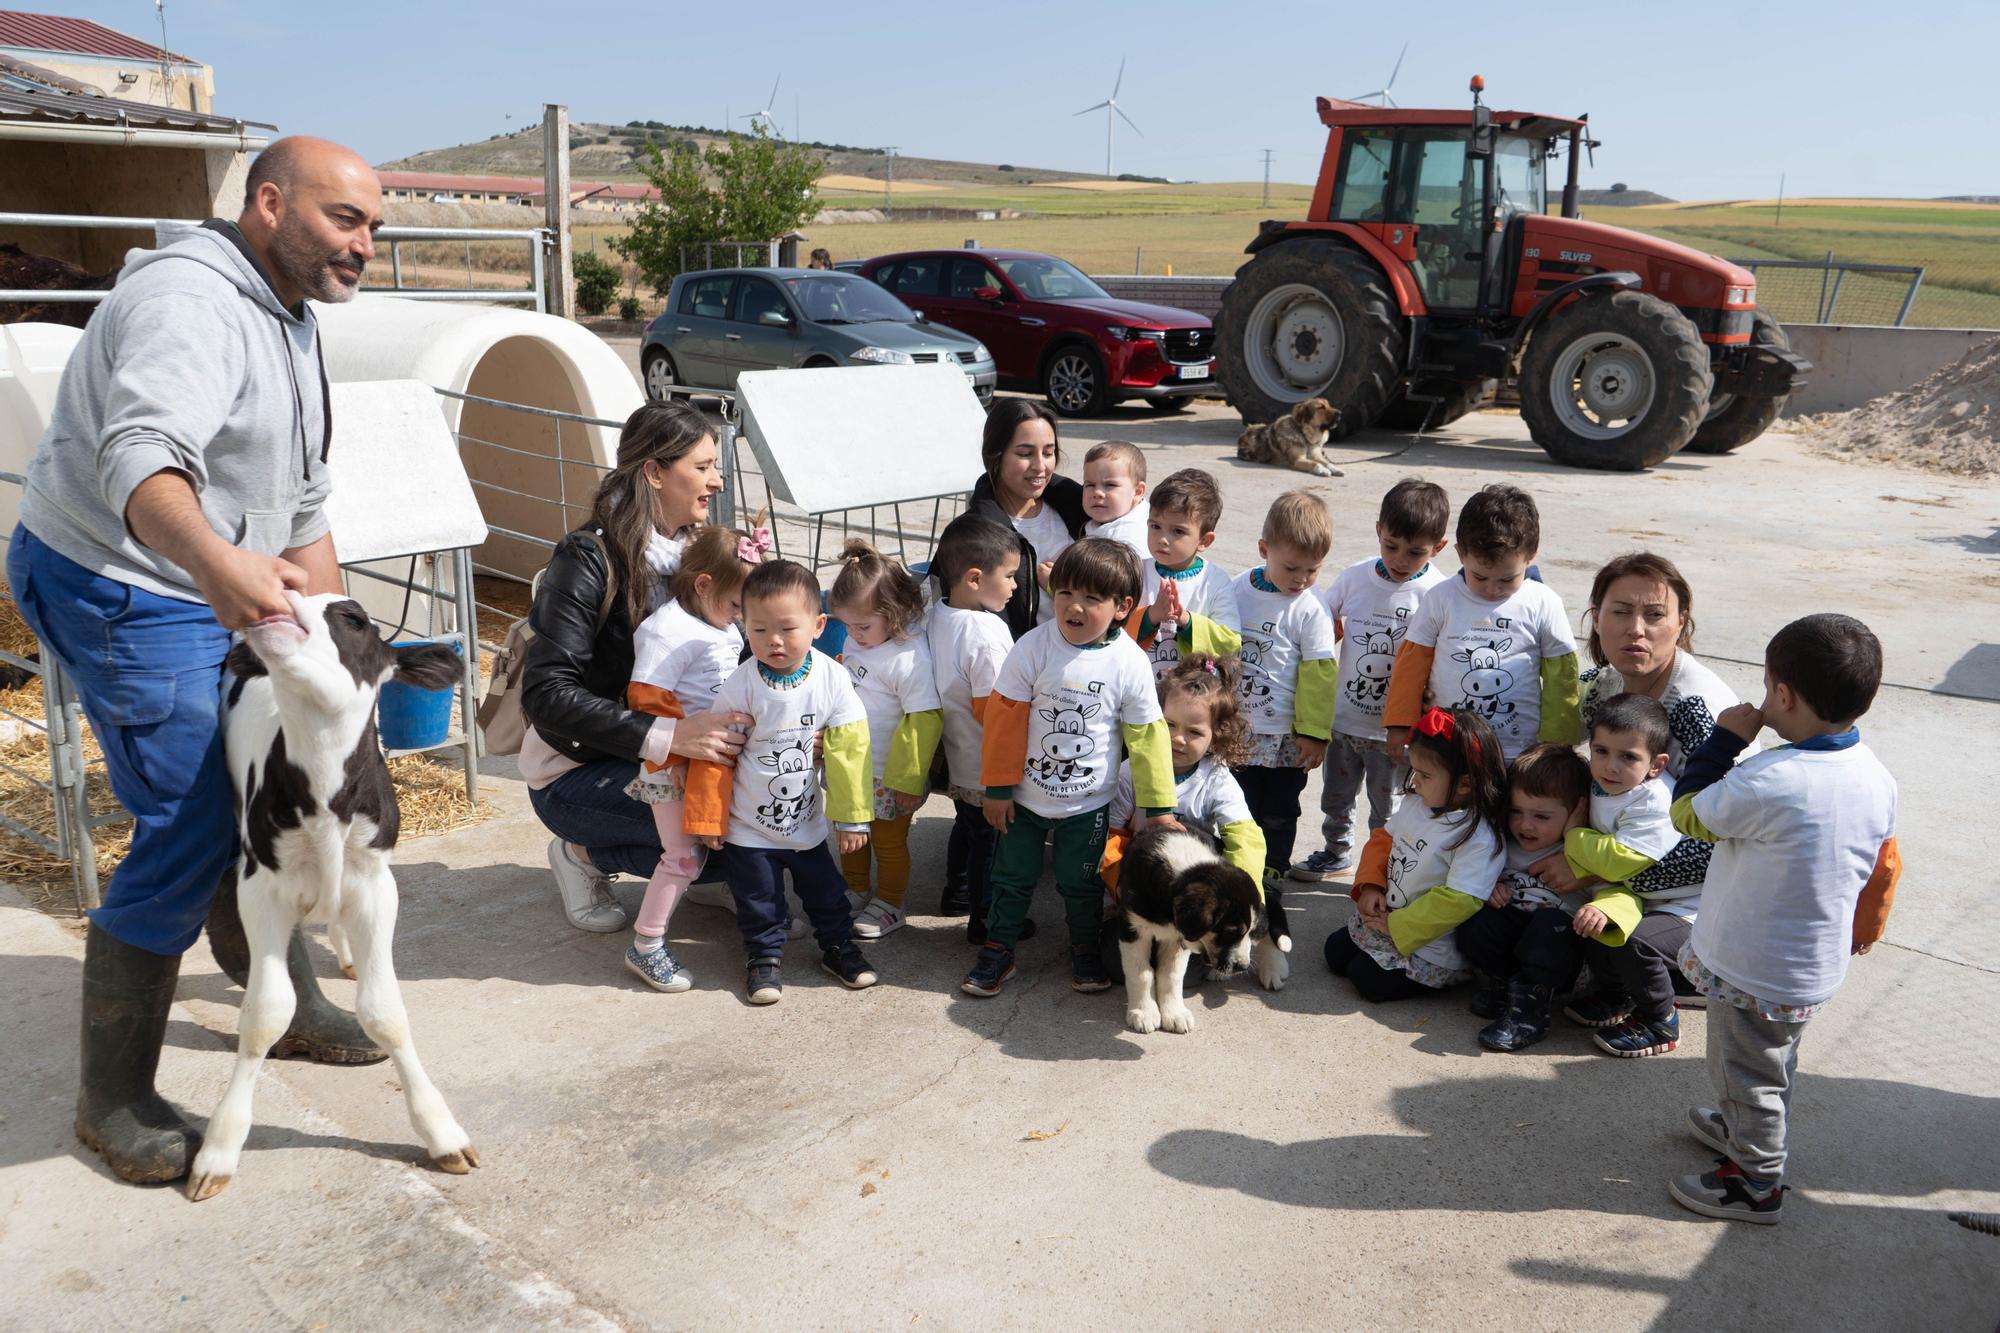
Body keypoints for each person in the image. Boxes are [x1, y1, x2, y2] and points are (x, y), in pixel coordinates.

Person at [8, 136, 390, 1185]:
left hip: (213, 575)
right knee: (195, 811)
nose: (365, 244)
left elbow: (301, 502)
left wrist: (345, 660)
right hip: (122, 575)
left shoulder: (292, 311)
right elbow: (137, 453)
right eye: (343, 220)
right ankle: (112, 1097)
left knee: (266, 776)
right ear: (269, 203)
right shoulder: (193, 304)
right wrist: (219, 567)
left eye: (373, 226)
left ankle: (285, 993)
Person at [1664, 613, 1899, 1225]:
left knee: (1743, 1068)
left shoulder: (1770, 779)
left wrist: (1724, 741)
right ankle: (1745, 1126)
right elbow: (1882, 863)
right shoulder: (1875, 776)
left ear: (1784, 695)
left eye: (1769, 689)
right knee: (1772, 1061)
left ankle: (1755, 1181)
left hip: (1754, 967)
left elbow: (1689, 815)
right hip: (1808, 964)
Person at [520, 401, 756, 933]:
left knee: (766, 812)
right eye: (702, 467)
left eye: (715, 465)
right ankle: (581, 854)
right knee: (726, 831)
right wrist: (670, 736)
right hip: (580, 771)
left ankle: (708, 872)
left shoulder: (703, 554)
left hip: (679, 751)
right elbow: (547, 693)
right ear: (653, 472)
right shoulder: (586, 559)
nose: (717, 481)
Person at [965, 539, 1174, 997]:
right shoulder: (1033, 647)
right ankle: (999, 950)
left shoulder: (1130, 663)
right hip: (1022, 799)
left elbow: (1147, 735)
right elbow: (1004, 716)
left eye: (1091, 599)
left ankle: (1084, 948)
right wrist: (997, 789)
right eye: (1065, 594)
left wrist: (1158, 806)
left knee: (1081, 885)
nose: (1074, 607)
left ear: (1122, 607)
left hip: (1088, 805)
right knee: (1010, 879)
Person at [683, 560, 880, 1004]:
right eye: (758, 630)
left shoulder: (831, 676)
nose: (773, 641)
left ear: (818, 625)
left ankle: (838, 947)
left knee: (828, 894)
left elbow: (850, 745)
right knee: (760, 900)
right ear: (743, 627)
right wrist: (708, 818)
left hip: (806, 825)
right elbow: (716, 752)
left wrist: (851, 818)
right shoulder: (742, 682)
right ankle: (764, 958)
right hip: (747, 828)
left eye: (787, 629)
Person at [1559, 552, 1738, 1035]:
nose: (1635, 629)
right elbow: (1549, 738)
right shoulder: (1604, 684)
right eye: (1619, 612)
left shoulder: (1700, 708)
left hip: (1697, 896)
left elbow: (1724, 838)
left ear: (1681, 624)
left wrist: (1586, 869)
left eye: (1654, 615)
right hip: (1620, 868)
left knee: (1610, 932)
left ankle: (1677, 984)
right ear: (1596, 620)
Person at [619, 523, 761, 992]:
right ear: (703, 584)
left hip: (711, 759)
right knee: (681, 856)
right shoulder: (667, 632)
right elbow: (646, 696)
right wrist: (684, 746)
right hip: (675, 766)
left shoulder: (716, 624)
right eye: (737, 605)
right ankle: (646, 945)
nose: (742, 616)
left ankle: (761, 925)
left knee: (721, 843)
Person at [1292, 478, 1451, 882]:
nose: (1400, 559)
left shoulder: (1438, 591)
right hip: (1344, 721)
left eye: (1416, 552)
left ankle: (1384, 864)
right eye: (1391, 545)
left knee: (1389, 807)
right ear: (1378, 530)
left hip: (1395, 733)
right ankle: (1336, 852)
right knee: (1336, 797)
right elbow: (1321, 622)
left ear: (1439, 547)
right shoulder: (1355, 577)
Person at [1383, 484, 1580, 765]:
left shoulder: (1544, 602)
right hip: (1446, 747)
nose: (1492, 589)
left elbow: (1561, 678)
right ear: (1460, 553)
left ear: (1531, 555)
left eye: (1506, 579)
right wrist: (1401, 722)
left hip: (1516, 752)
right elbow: (1412, 664)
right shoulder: (1441, 597)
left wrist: (1557, 742)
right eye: (1480, 577)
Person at [1326, 707, 1508, 1002]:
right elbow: (1383, 840)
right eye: (1415, 772)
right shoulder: (1417, 803)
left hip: (1429, 945)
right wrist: (1372, 885)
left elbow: (1459, 900)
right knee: (1334, 953)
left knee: (1366, 979)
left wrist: (1399, 926)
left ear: (1464, 783)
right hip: (1388, 919)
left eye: (1425, 775)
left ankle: (1450, 978)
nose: (1415, 782)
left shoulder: (1477, 836)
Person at [1549, 693, 1691, 1057]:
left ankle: (1660, 1019)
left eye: (1628, 757)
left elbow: (1619, 862)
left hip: (1684, 907)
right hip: (1633, 894)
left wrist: (1573, 834)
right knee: (1593, 922)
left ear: (1656, 765)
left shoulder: (1653, 801)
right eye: (1601, 751)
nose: (1610, 766)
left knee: (1635, 940)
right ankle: (1617, 995)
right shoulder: (1604, 782)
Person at [1229, 492, 1338, 915]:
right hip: (1238, 730)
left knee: (1279, 809)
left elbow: (1320, 674)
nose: (1300, 579)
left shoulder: (1311, 609)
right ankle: (1239, 866)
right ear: (1264, 549)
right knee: (1239, 803)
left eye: (1312, 570)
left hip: (1287, 738)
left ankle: (1273, 868)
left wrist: (1314, 733)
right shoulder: (1237, 589)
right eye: (1291, 568)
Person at [926, 514, 1033, 941]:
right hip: (989, 766)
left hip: (959, 759)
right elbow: (994, 711)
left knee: (967, 829)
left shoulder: (940, 613)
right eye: (1008, 576)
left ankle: (958, 893)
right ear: (974, 578)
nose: (1014, 586)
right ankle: (986, 920)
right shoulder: (986, 633)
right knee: (991, 845)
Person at [831, 541, 943, 940]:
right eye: (847, 625)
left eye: (862, 626)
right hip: (852, 765)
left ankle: (891, 904)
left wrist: (909, 780)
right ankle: (857, 889)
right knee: (850, 831)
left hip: (889, 774)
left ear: (895, 614)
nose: (853, 634)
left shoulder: (908, 656)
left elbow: (924, 719)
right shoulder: (861, 641)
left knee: (888, 841)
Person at [1455, 742, 1600, 1051]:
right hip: (1517, 942)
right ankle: (1507, 987)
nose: (1525, 825)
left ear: (1577, 810)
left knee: (1548, 924)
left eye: (1542, 816)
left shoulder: (1579, 850)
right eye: (1516, 812)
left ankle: (1530, 1011)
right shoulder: (1501, 844)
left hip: (1562, 958)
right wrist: (1489, 886)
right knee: (1474, 920)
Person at [965, 398, 1085, 637]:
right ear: (995, 456)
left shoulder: (1080, 508)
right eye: (1025, 453)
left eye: (1049, 452)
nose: (1040, 466)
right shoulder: (975, 534)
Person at [1132, 468, 1241, 677]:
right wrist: (1152, 616)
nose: (1162, 538)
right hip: (1138, 689)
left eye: (1178, 531)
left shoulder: (1215, 581)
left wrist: (1185, 621)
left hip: (1192, 697)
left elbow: (1231, 643)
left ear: (1204, 541)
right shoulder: (1136, 571)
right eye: (1155, 526)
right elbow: (1112, 626)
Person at [1079, 440, 1151, 564]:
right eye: (1090, 485)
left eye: (1110, 485)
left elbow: (1106, 582)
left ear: (1138, 491)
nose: (1097, 493)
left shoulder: (1127, 540)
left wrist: (1055, 582)